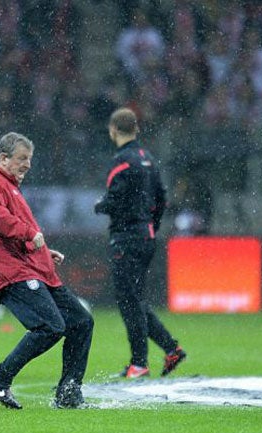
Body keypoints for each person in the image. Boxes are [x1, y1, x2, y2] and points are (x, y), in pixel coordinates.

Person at [0, 132, 94, 409]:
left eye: (30, 159)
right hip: (12, 272)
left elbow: (8, 228)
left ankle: (68, 393)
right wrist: (27, 233)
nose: (27, 164)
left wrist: (41, 251)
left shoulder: (8, 185)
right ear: (3, 158)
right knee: (49, 326)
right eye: (22, 158)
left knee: (81, 322)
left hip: (33, 267)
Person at [94, 107, 186, 379]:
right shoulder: (148, 159)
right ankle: (171, 348)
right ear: (136, 129)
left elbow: (116, 199)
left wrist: (100, 206)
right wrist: (152, 226)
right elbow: (162, 198)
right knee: (135, 299)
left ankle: (139, 363)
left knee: (129, 301)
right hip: (146, 236)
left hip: (127, 238)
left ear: (112, 130)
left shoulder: (122, 161)